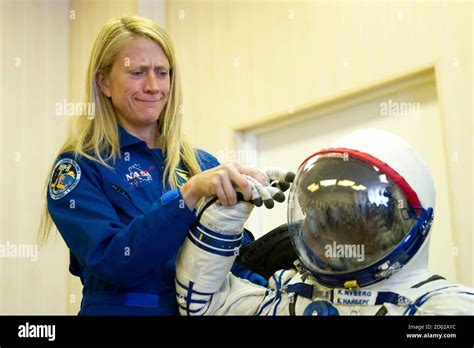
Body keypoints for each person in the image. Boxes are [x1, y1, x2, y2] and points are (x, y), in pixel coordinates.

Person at [39, 15, 293, 315]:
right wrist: (186, 196)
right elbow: (115, 262)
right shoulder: (80, 168)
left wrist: (282, 285)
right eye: (137, 72)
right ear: (104, 82)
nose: (153, 86)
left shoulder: (199, 163)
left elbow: (225, 268)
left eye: (162, 72)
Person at [175, 129, 474, 315]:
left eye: (348, 216)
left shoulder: (437, 307)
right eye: (319, 213)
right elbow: (204, 304)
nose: (322, 229)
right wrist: (226, 213)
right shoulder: (291, 294)